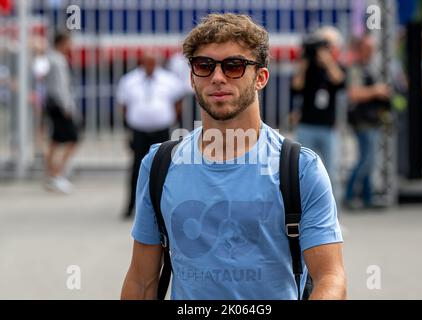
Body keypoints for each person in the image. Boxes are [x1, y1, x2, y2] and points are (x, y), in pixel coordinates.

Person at [121, 13, 346, 300]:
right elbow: (142, 281)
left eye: (234, 66)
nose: (217, 77)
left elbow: (330, 277)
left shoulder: (300, 168)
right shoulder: (159, 165)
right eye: (204, 66)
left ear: (261, 77)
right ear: (192, 77)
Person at [117, 51, 186, 219]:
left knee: (162, 168)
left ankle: (161, 206)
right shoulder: (129, 80)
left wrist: (169, 118)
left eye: (152, 62)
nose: (149, 66)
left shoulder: (168, 80)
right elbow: (124, 104)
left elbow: (178, 101)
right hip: (139, 130)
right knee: (136, 167)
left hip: (161, 130)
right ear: (141, 62)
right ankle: (131, 205)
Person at [290, 26, 346, 200]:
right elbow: (296, 87)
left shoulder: (335, 67)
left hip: (328, 126)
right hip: (306, 124)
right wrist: (304, 62)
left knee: (331, 172)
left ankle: (332, 215)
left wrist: (328, 61)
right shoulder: (308, 67)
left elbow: (339, 81)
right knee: (303, 171)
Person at [344, 33, 391, 209]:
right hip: (362, 121)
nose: (371, 52)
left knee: (370, 160)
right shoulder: (356, 68)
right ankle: (350, 195)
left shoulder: (368, 67)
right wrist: (376, 91)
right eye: (368, 49)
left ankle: (367, 196)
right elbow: (354, 94)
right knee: (365, 160)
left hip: (371, 120)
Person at [43, 32, 79, 194]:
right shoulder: (57, 60)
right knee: (72, 139)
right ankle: (57, 174)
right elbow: (60, 86)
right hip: (59, 106)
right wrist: (66, 107)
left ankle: (52, 173)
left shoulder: (52, 58)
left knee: (55, 140)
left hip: (54, 104)